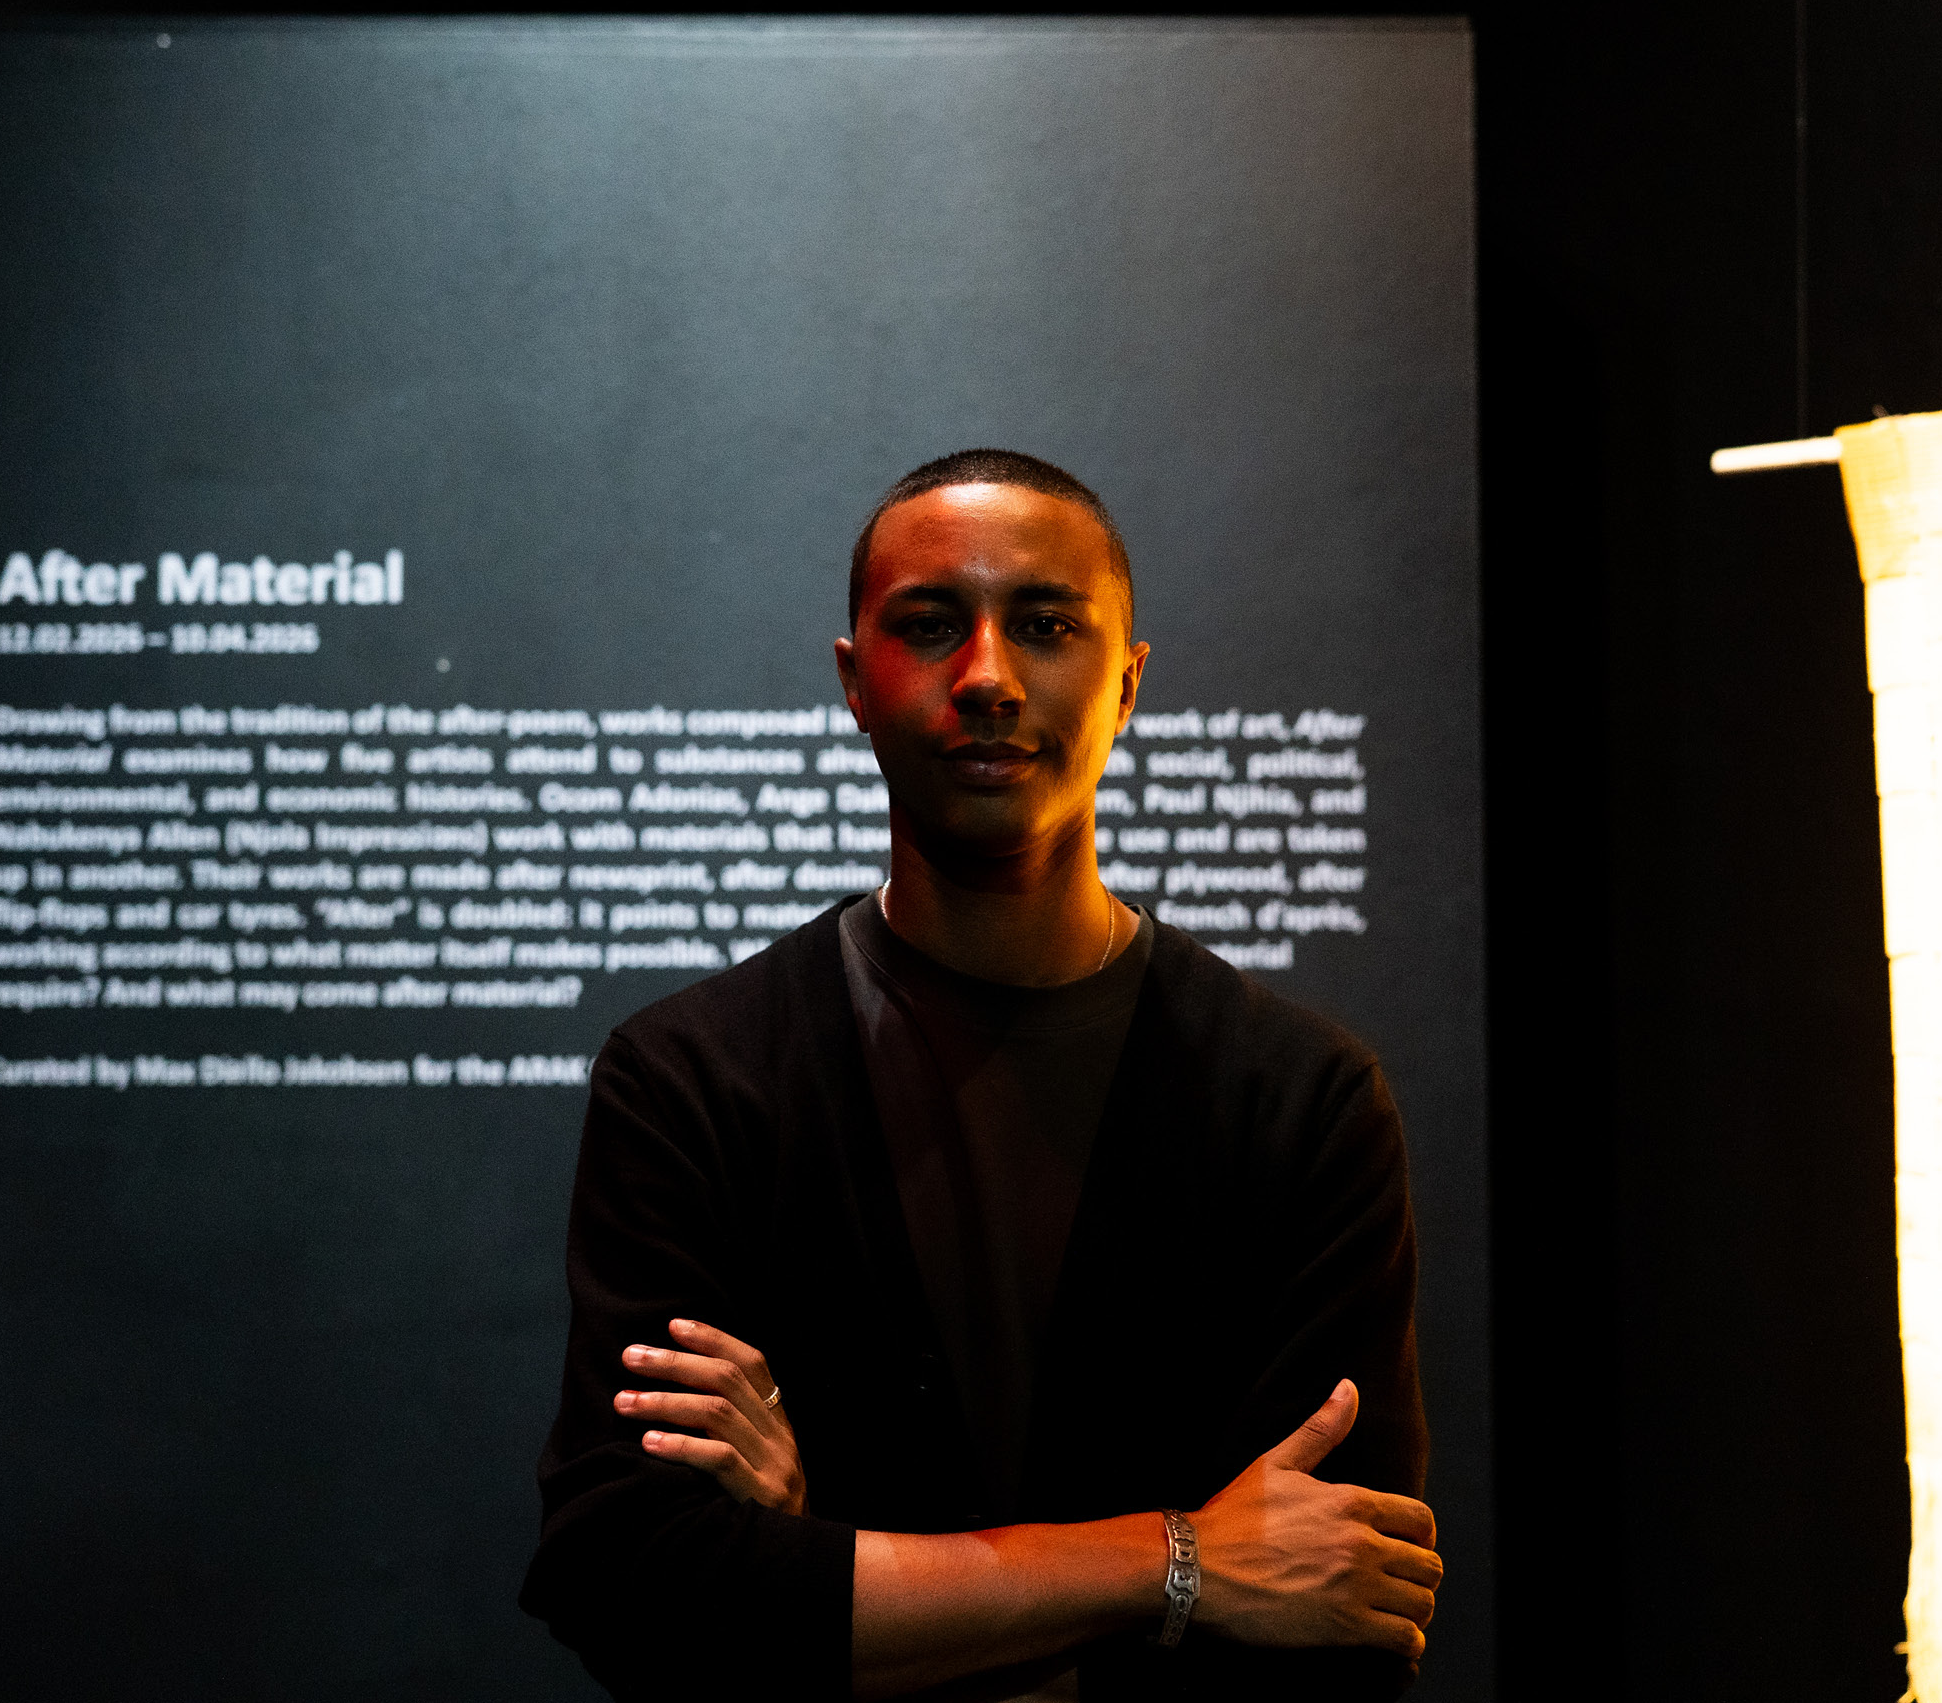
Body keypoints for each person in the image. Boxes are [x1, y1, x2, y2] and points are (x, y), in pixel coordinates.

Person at [521, 450, 1439, 1700]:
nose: (990, 676)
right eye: (930, 625)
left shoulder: (1299, 1099)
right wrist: (1181, 1562)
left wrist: (819, 1564)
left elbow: (1339, 1622)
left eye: (1046, 624)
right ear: (854, 679)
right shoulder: (696, 1079)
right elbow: (636, 1585)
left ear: (1128, 682)